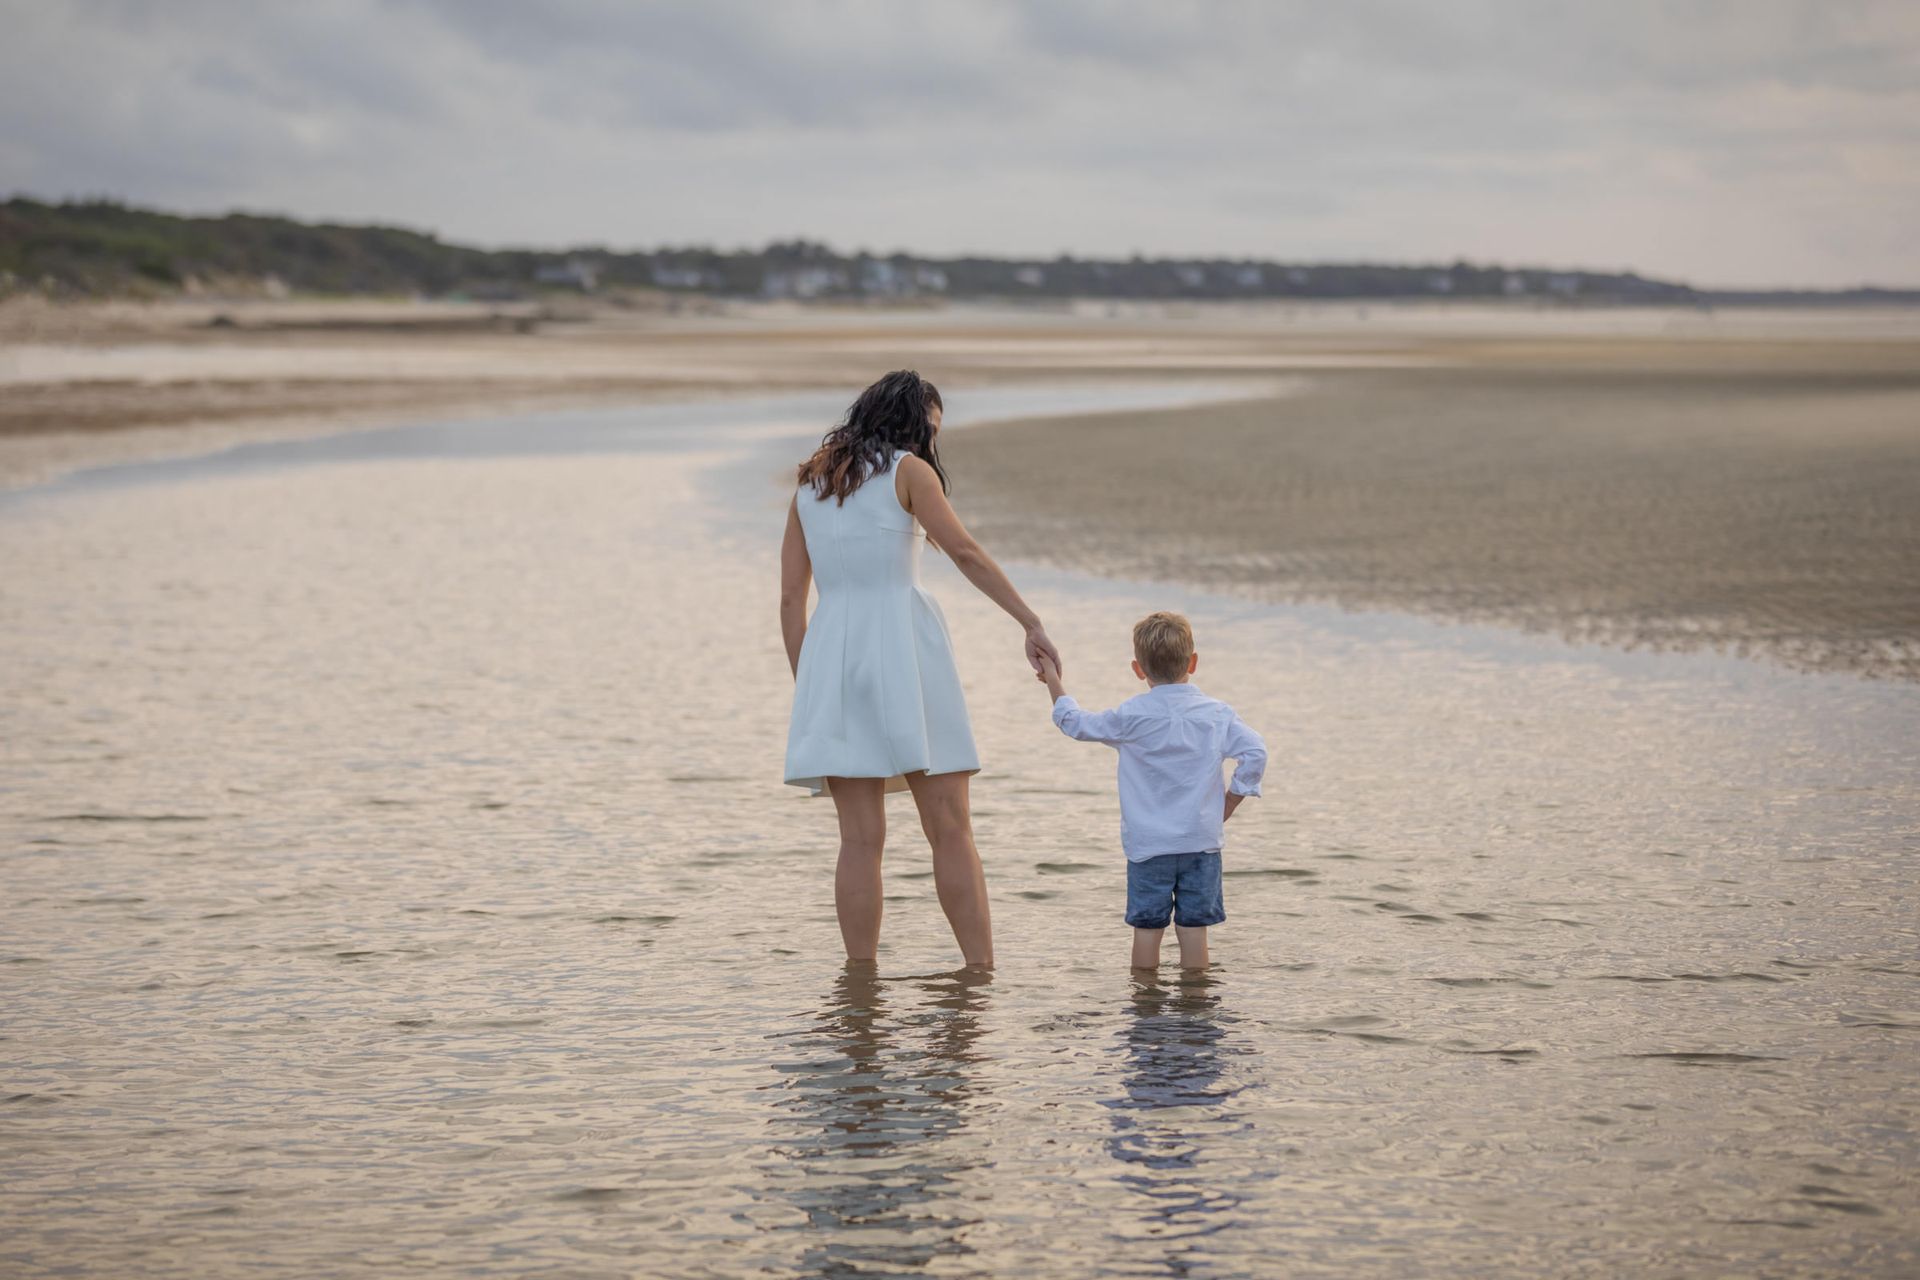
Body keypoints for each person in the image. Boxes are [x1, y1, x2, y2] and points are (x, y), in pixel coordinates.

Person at [782, 370, 1062, 969]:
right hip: (903, 647)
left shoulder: (810, 481)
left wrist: (808, 686)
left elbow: (789, 600)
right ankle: (980, 976)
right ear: (910, 421)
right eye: (930, 427)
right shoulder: (909, 470)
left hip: (830, 656)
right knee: (951, 828)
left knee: (859, 841)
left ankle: (861, 986)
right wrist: (1028, 620)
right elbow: (964, 552)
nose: (932, 441)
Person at [1035, 611, 1265, 970]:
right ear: (1193, 662)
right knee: (1194, 932)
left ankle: (1145, 1012)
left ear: (1138, 669)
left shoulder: (1131, 716)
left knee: (1146, 929)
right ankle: (1195, 1012)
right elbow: (1256, 752)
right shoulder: (1216, 715)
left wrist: (1052, 678)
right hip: (1200, 843)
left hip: (1148, 847)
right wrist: (1233, 797)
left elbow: (1074, 723)